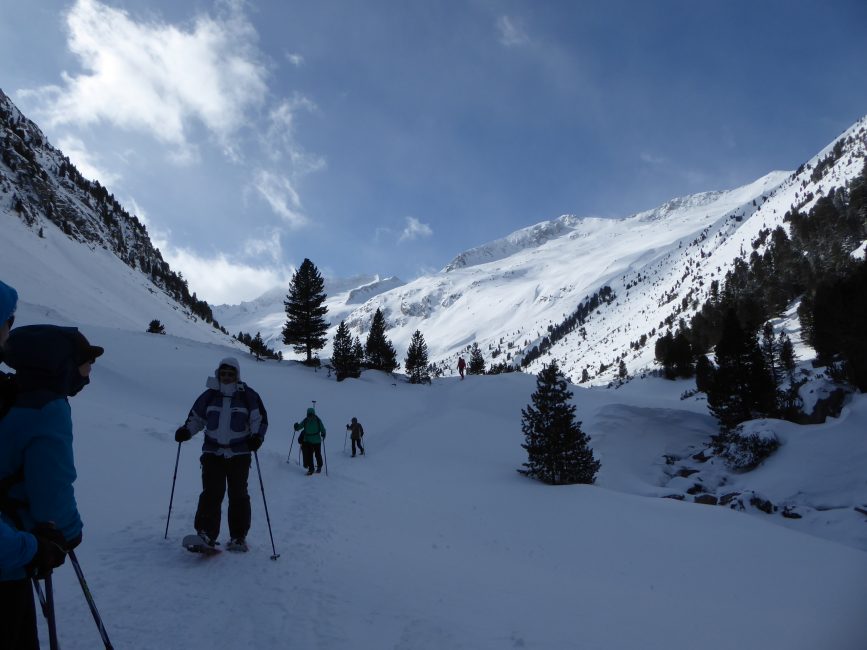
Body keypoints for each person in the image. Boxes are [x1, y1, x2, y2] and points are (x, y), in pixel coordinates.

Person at [0, 310, 100, 647]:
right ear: (64, 367)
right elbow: (52, 486)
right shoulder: (48, 409)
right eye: (86, 365)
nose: (88, 374)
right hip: (10, 551)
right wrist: (65, 535)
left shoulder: (11, 395)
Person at [175, 357, 267, 552]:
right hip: (212, 452)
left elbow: (259, 419)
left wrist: (257, 438)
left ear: (237, 375)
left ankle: (238, 537)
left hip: (239, 454)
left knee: (238, 495)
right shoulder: (209, 396)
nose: (226, 377)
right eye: (223, 373)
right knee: (211, 493)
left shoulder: (248, 396)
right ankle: (205, 534)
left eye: (230, 374)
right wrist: (187, 431)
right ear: (218, 374)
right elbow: (197, 418)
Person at [294, 407, 326, 475]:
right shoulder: (306, 420)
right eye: (309, 415)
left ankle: (319, 466)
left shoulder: (317, 420)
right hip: (308, 440)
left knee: (317, 454)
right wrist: (296, 427)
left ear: (314, 414)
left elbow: (322, 428)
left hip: (317, 440)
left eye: (311, 414)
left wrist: (323, 433)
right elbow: (300, 426)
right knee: (309, 455)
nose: (310, 416)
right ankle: (311, 469)